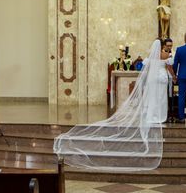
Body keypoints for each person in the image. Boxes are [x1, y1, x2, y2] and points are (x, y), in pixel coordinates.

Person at [53, 39, 167, 171]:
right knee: (155, 100)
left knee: (152, 100)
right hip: (156, 84)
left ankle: (152, 115)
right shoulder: (162, 59)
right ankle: (155, 115)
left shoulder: (151, 59)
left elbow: (146, 68)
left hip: (153, 84)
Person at [162, 38, 177, 123]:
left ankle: (171, 111)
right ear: (164, 45)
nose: (169, 47)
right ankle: (165, 112)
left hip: (171, 77)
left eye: (171, 45)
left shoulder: (174, 53)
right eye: (168, 45)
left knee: (171, 95)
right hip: (164, 76)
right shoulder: (161, 54)